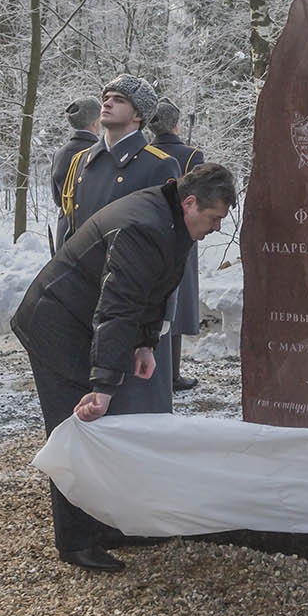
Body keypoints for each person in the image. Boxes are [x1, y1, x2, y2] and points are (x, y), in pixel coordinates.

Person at [12, 163, 237, 572]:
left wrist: (146, 342)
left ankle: (108, 523)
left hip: (85, 319)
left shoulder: (173, 220)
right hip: (55, 322)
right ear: (190, 203)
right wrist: (102, 384)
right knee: (75, 427)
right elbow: (117, 307)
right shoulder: (143, 226)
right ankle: (77, 541)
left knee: (103, 426)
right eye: (215, 217)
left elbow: (156, 287)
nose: (218, 227)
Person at [58, 75, 183, 414]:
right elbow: (70, 230)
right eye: (106, 97)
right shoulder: (81, 162)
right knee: (88, 400)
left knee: (136, 405)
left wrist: (161, 320)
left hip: (135, 303)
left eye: (118, 99)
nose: (107, 103)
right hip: (85, 294)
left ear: (138, 114)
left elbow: (169, 249)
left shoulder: (158, 165)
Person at [147, 98, 206, 391]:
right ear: (176, 124)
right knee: (176, 303)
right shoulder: (192, 155)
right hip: (181, 235)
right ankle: (171, 374)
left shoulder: (144, 154)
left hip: (149, 235)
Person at [49, 96, 100, 249]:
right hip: (92, 232)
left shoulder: (59, 154)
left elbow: (58, 199)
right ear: (95, 122)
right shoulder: (101, 152)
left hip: (64, 229)